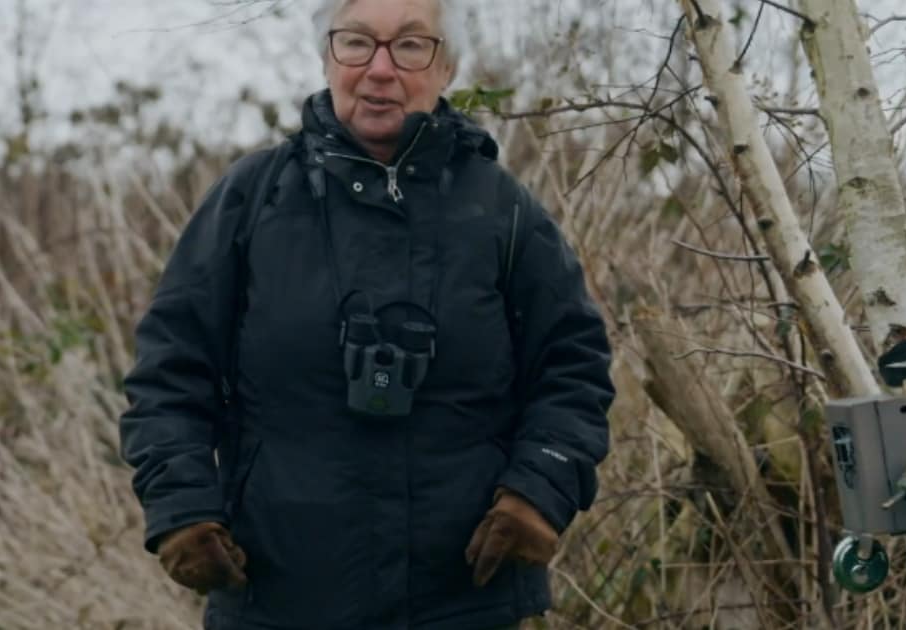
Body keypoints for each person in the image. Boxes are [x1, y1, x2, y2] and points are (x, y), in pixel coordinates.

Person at [118, 0, 616, 627]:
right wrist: (182, 507)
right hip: (277, 599)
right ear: (327, 57)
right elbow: (169, 372)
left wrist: (539, 491)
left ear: (447, 68)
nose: (380, 69)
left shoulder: (504, 212)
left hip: (463, 602)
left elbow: (573, 369)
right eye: (356, 42)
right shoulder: (251, 200)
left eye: (410, 45)